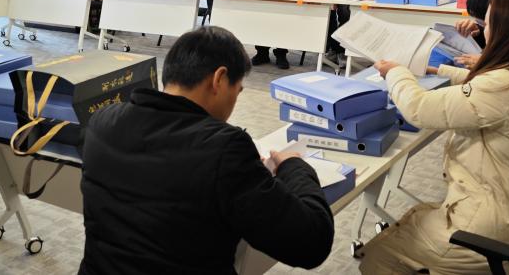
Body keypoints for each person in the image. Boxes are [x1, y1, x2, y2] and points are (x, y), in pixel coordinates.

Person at [360, 0, 509, 275]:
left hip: (490, 234)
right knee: (414, 220)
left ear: (508, 31)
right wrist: (437, 70)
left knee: (378, 254)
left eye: (488, 23)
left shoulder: (504, 86)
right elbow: (490, 87)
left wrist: (396, 73)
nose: (484, 30)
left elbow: (419, 108)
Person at [79, 26, 334, 274]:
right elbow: (312, 243)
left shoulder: (102, 121)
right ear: (219, 79)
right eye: (237, 91)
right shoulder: (225, 149)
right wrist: (292, 165)